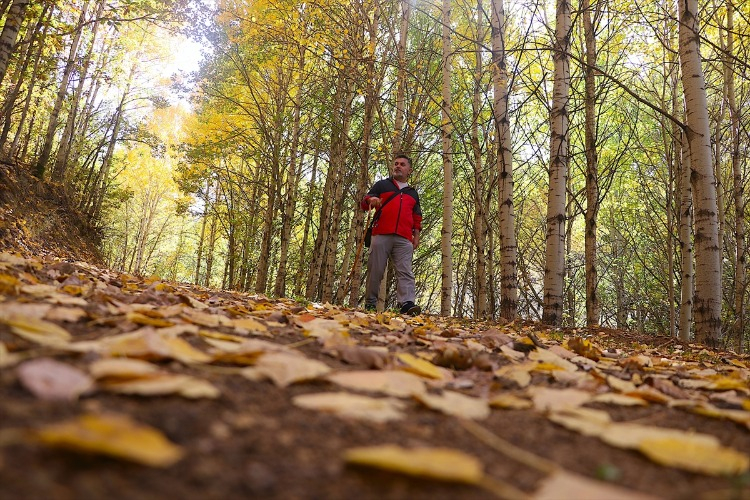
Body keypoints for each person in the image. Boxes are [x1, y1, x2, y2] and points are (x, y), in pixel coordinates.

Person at [361, 153, 422, 315]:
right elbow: (365, 200)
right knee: (376, 270)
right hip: (381, 233)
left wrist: (416, 236)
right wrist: (370, 201)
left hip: (404, 238)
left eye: (402, 164)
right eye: (396, 164)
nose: (398, 166)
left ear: (409, 170)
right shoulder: (382, 185)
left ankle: (407, 304)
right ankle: (370, 304)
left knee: (405, 271)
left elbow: (417, 216)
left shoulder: (413, 193)